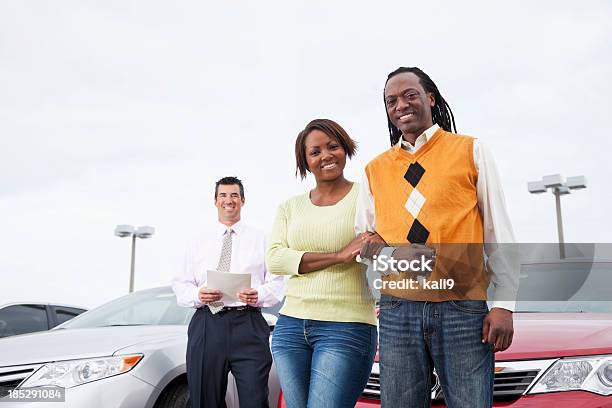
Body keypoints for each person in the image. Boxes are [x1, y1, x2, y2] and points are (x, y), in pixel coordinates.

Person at [356, 67, 519, 407]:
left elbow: (497, 233)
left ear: (430, 98)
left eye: (410, 95)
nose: (401, 104)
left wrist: (504, 304)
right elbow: (366, 244)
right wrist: (394, 257)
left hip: (463, 308)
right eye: (391, 100)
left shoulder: (471, 151)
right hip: (399, 308)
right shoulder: (375, 169)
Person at [267, 119, 377, 408]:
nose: (326, 156)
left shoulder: (366, 198)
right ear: (305, 160)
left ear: (346, 149)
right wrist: (339, 256)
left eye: (333, 146)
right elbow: (275, 259)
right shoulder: (289, 207)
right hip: (290, 325)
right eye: (315, 152)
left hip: (346, 325)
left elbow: (379, 249)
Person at [172, 176, 285, 408]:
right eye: (223, 195)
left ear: (243, 201)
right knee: (204, 400)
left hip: (249, 325)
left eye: (234, 195)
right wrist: (198, 295)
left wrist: (259, 295)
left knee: (255, 400)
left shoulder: (263, 239)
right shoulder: (197, 241)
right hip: (207, 324)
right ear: (215, 201)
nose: (228, 200)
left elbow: (278, 283)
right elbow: (181, 284)